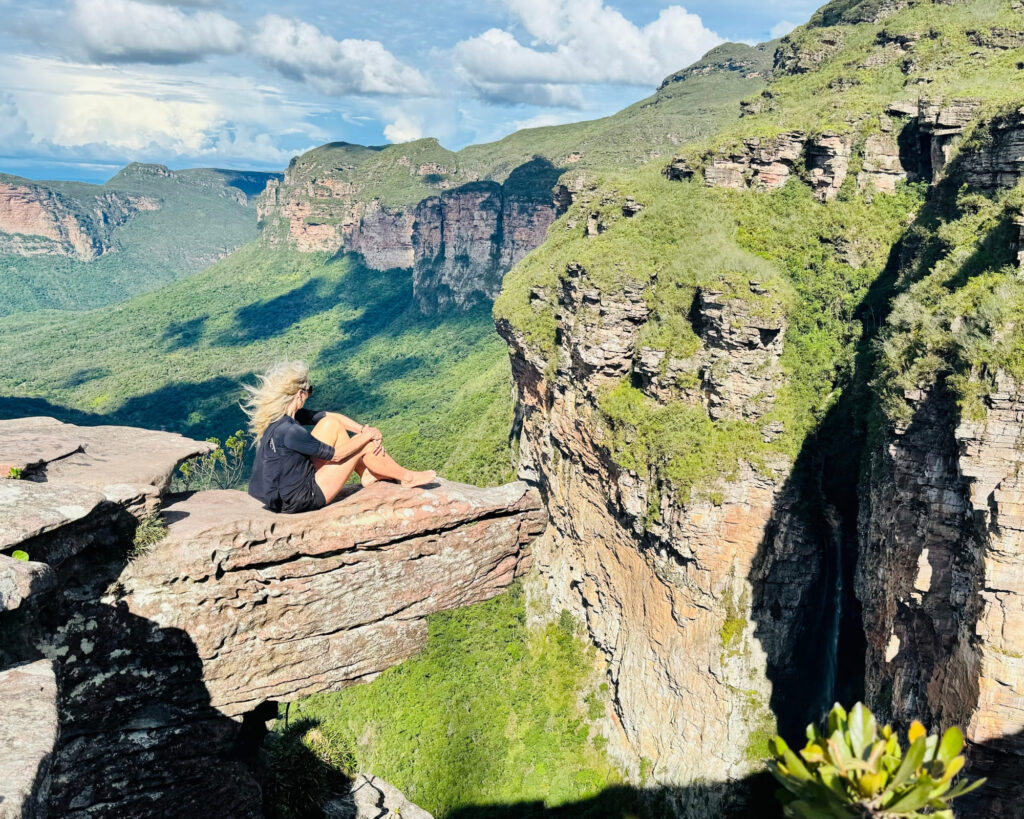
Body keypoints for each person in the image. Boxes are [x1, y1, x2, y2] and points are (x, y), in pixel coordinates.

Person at [242, 360, 436, 513]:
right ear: (299, 394)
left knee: (331, 425)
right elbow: (336, 455)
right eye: (309, 391)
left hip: (286, 493)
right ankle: (408, 477)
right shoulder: (292, 431)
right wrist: (367, 436)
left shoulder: (282, 420)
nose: (309, 395)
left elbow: (329, 416)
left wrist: (361, 430)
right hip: (302, 497)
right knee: (364, 446)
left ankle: (367, 474)